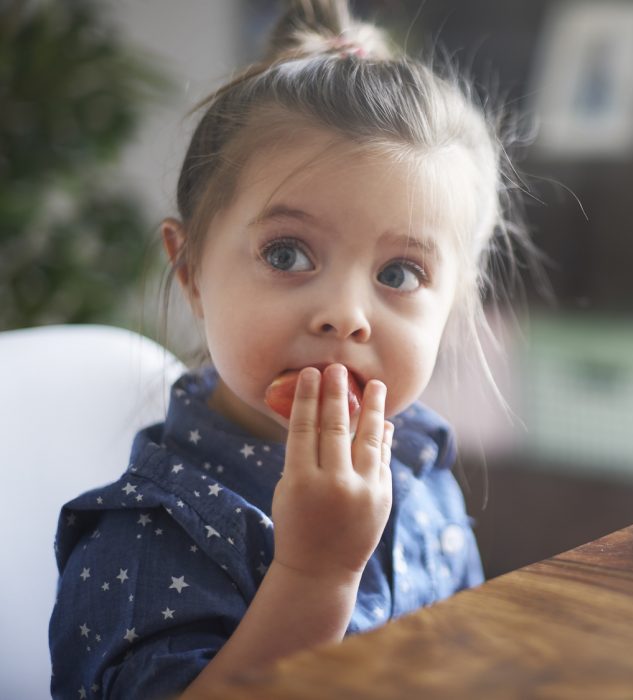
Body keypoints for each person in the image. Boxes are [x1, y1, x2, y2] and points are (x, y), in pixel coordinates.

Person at [48, 1, 532, 697]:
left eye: (399, 274)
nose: (344, 315)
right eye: (287, 253)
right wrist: (315, 575)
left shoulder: (420, 466)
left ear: (453, 308)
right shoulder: (146, 538)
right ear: (190, 273)